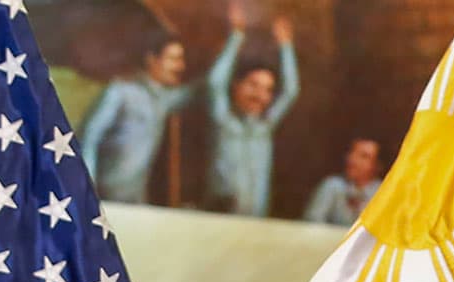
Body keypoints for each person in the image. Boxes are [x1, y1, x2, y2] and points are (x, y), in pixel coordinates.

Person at [77, 32, 198, 204]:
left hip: (135, 201)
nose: (180, 66)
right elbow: (88, 137)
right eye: (173, 59)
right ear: (152, 59)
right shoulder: (120, 91)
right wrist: (86, 190)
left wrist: (235, 38)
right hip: (103, 200)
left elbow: (207, 86)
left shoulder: (165, 100)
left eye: (181, 60)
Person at [204, 6, 299, 216]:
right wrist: (236, 37)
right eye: (253, 85)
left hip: (256, 221)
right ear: (236, 85)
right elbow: (215, 83)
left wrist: (286, 46)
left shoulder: (265, 127)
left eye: (267, 90)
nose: (259, 95)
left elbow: (291, 91)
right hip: (218, 220)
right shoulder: (224, 120)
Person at [303, 137, 382, 225]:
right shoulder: (332, 185)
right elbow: (312, 222)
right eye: (352, 152)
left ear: (378, 166)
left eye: (364, 156)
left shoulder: (384, 194)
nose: (353, 159)